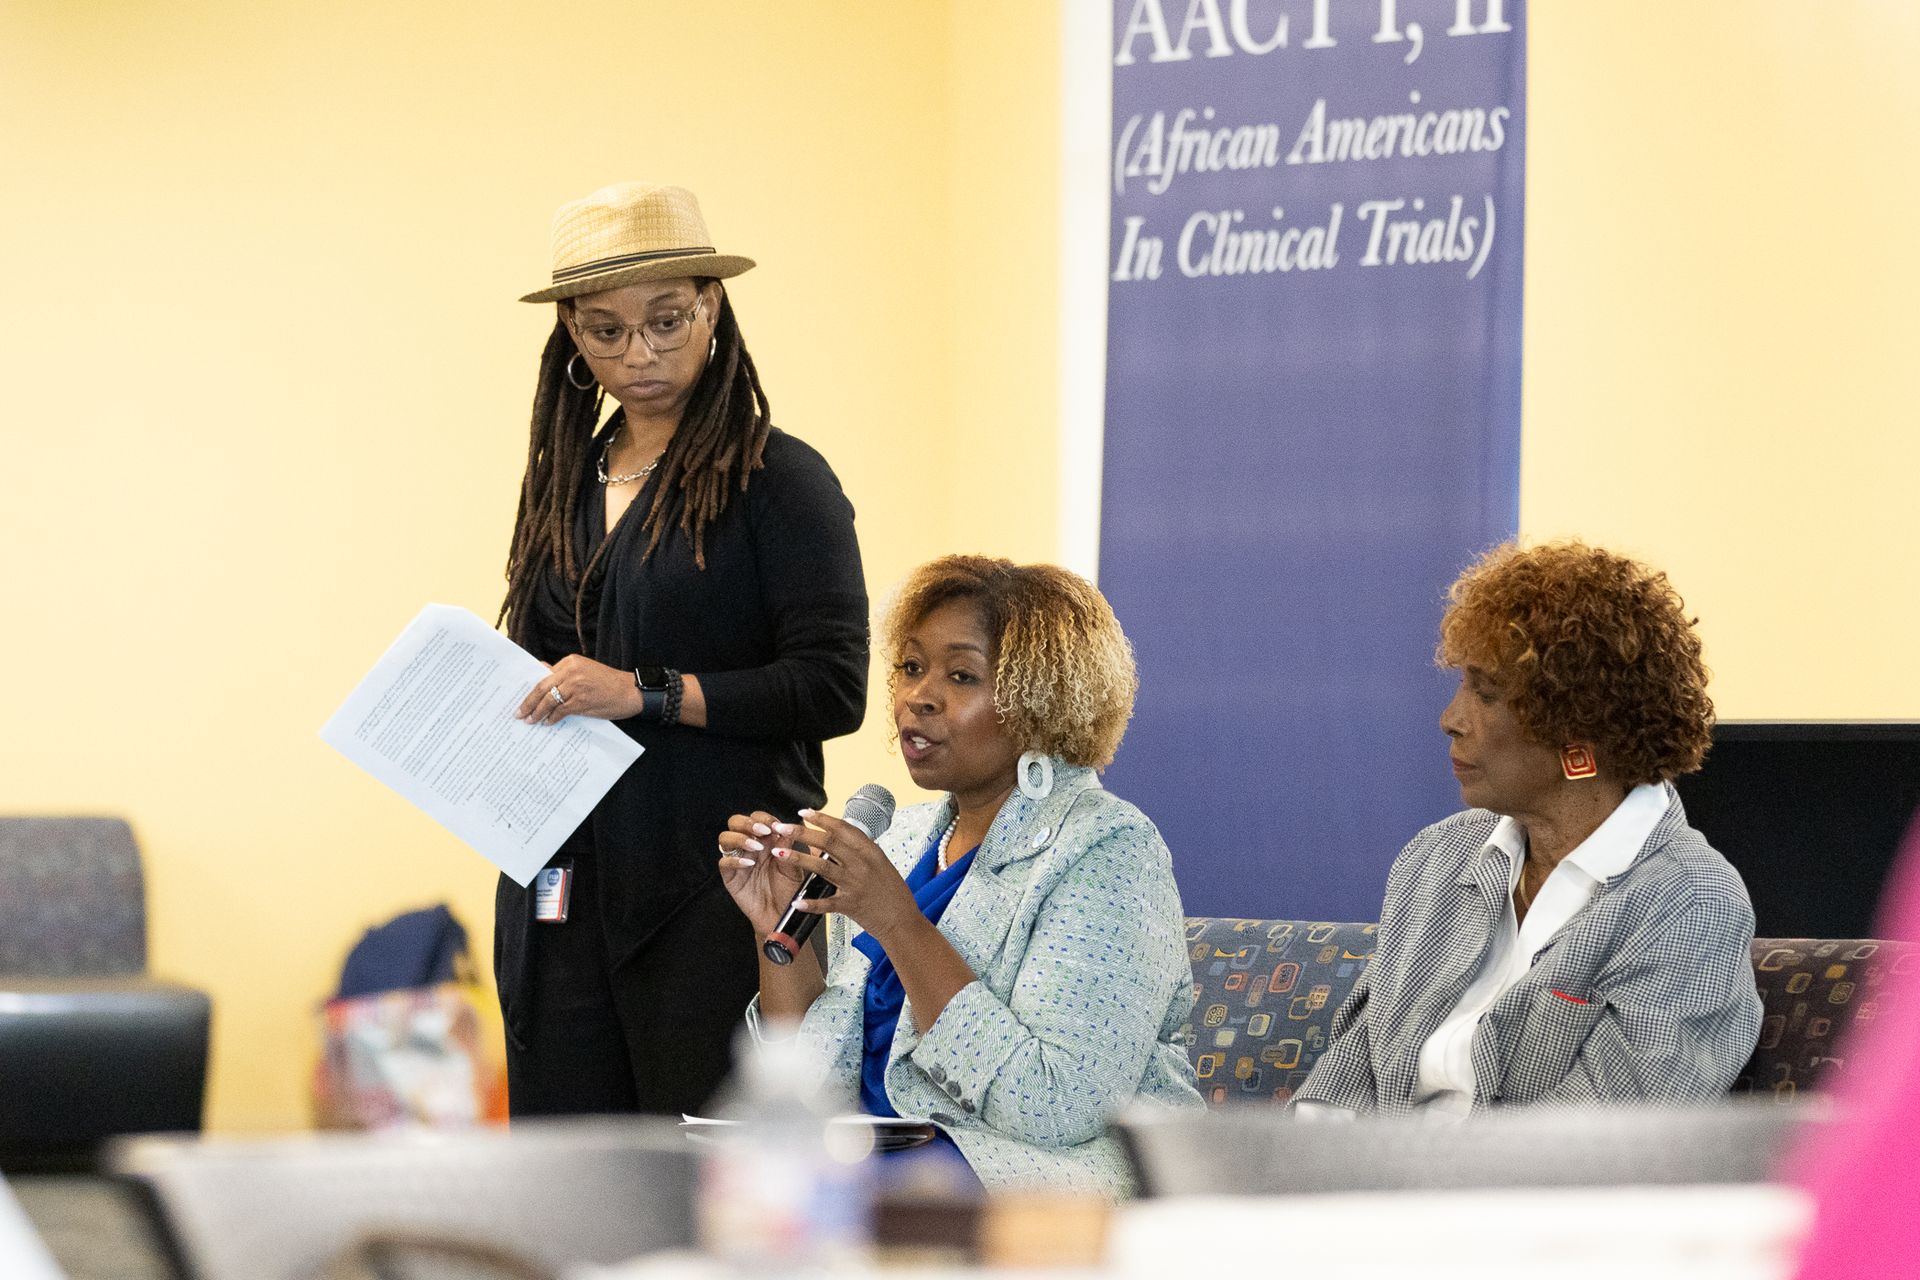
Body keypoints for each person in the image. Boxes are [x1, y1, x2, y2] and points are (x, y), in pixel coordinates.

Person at [494, 182, 868, 1117]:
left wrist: (648, 693)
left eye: (666, 320)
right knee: (575, 1181)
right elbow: (546, 663)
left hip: (721, 890)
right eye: (605, 331)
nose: (640, 353)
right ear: (571, 339)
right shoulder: (565, 481)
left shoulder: (778, 478)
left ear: (712, 306)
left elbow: (833, 686)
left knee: (709, 1173)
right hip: (563, 886)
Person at [716, 556, 1202, 1194]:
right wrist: (775, 932)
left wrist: (897, 920)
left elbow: (1056, 1105)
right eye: (911, 667)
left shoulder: (1108, 848)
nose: (919, 696)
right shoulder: (907, 836)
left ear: (1040, 701)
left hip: (1046, 1183)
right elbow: (816, 1080)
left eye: (961, 675)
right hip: (873, 1165)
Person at [1295, 541, 1762, 1115]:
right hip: (1364, 1194)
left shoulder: (1688, 905)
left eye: (1485, 693)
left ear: (1577, 730)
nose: (1451, 719)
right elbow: (1350, 1074)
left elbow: (1597, 1151)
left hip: (1504, 1200)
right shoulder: (1437, 858)